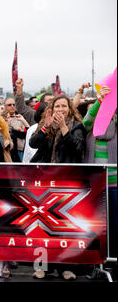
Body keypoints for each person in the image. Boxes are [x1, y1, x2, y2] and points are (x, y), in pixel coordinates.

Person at [29, 95, 85, 280]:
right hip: (44, 180)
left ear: (70, 108)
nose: (60, 109)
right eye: (57, 106)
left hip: (66, 181)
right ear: (52, 109)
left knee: (64, 228)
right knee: (41, 226)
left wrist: (63, 128)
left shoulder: (76, 126)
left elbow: (77, 148)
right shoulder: (47, 124)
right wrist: (45, 127)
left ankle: (65, 267)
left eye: (64, 106)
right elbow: (33, 144)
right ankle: (41, 266)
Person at [82, 86, 117, 263]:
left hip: (113, 186)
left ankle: (112, 260)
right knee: (94, 226)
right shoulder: (88, 130)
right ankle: (95, 261)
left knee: (114, 225)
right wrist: (100, 101)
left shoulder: (116, 128)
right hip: (93, 186)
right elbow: (87, 120)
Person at [2, 97, 29, 162]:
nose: (12, 106)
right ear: (4, 107)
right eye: (9, 105)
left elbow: (27, 134)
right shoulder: (0, 119)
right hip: (7, 150)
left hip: (21, 149)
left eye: (14, 105)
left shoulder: (19, 118)